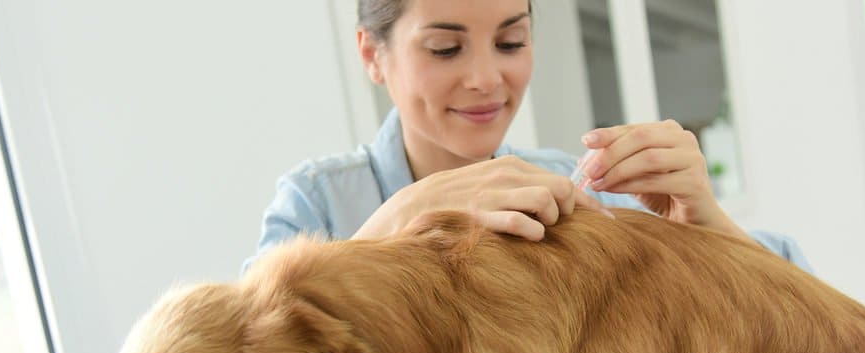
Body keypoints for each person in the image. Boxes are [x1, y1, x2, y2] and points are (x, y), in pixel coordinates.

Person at [244, 0, 811, 273]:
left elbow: (801, 303)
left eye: (511, 42)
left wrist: (705, 229)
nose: (488, 79)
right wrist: (401, 219)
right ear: (373, 53)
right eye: (446, 48)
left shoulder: (570, 187)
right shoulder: (315, 205)